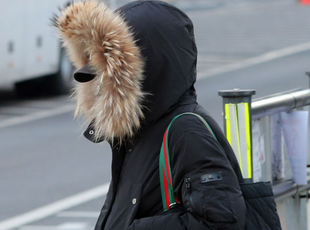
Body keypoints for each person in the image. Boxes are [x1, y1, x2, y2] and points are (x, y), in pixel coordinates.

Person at [54, 0, 246, 229]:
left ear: (144, 70)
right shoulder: (140, 132)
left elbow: (221, 222)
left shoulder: (186, 132)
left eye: (108, 72)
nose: (99, 84)